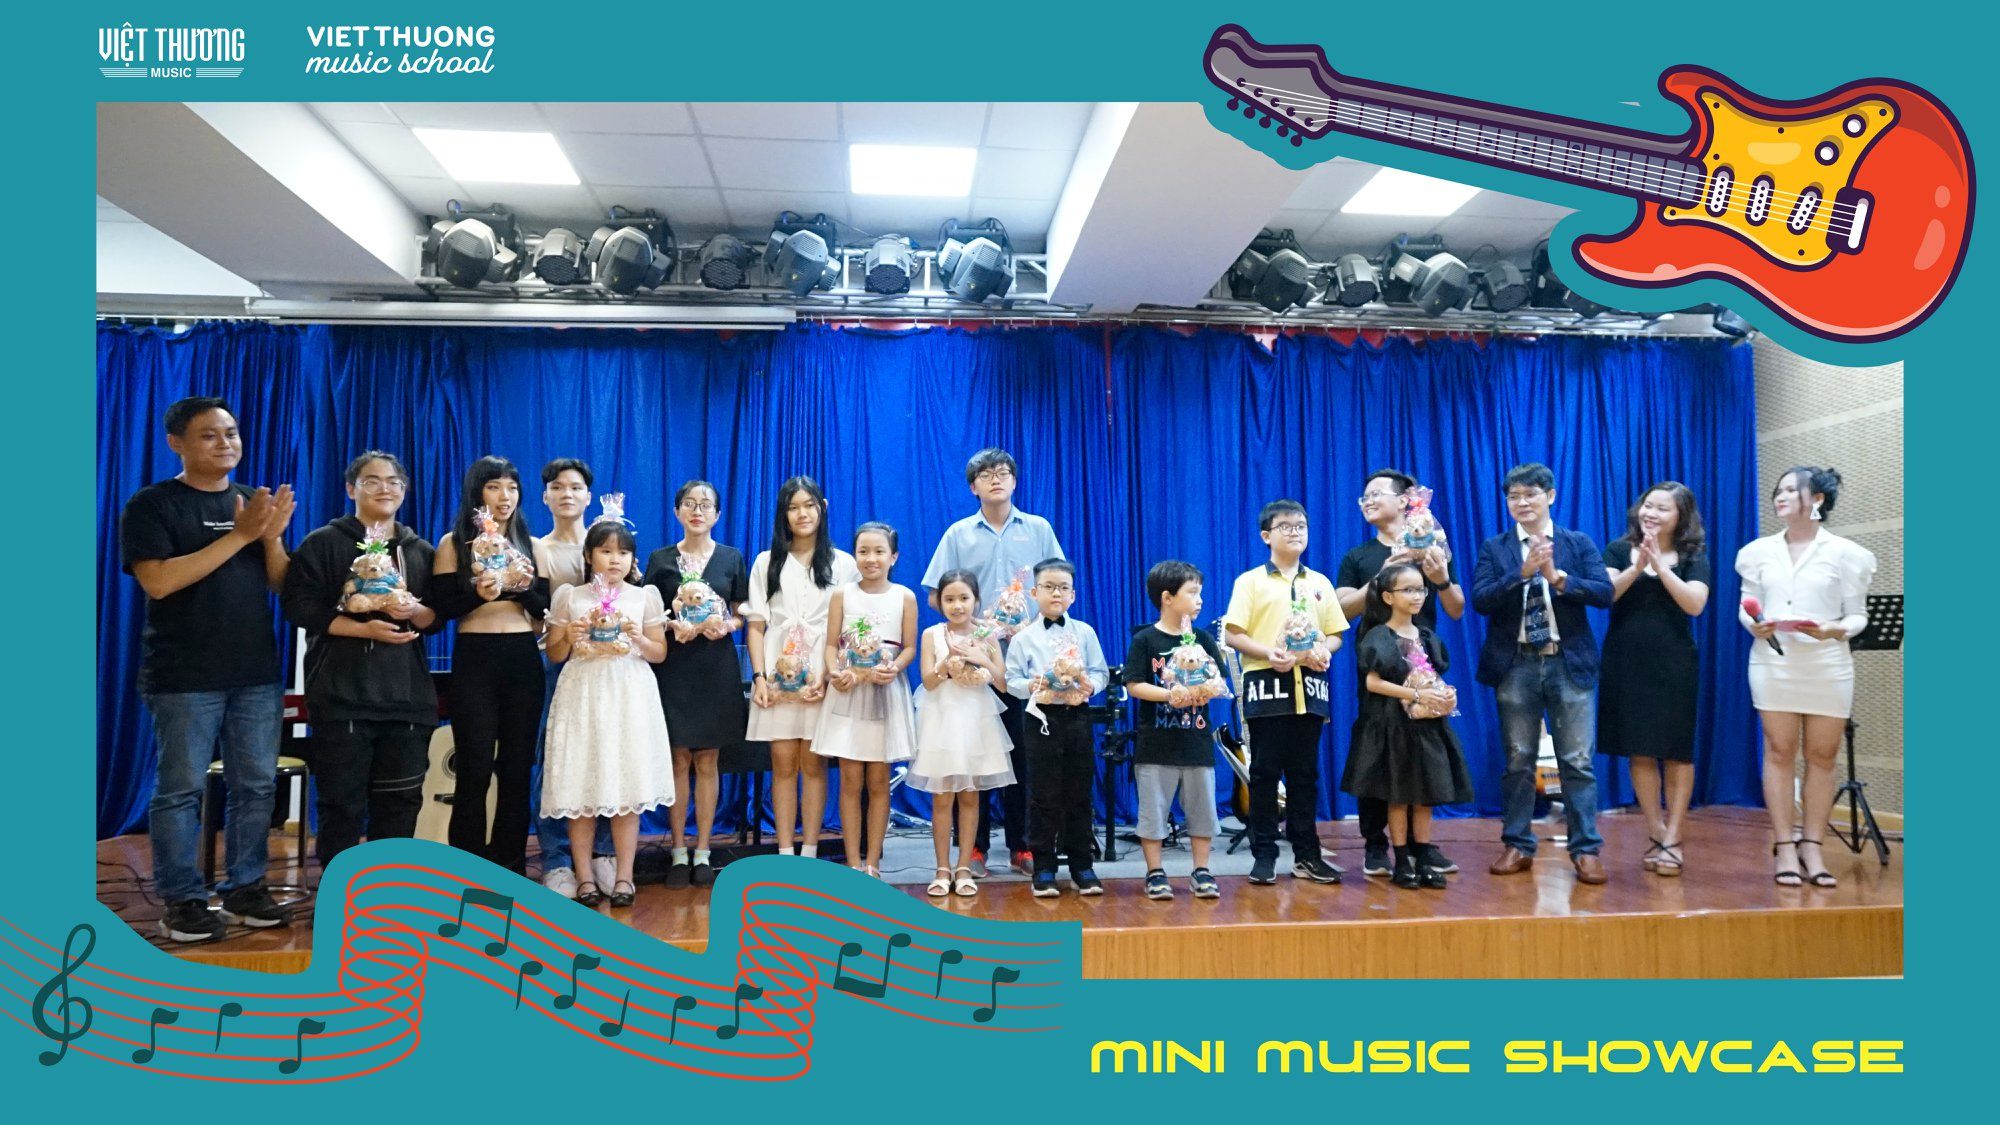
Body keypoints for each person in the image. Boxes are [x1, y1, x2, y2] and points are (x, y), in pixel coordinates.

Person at [121, 396, 296, 942]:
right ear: (176, 443)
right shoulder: (153, 504)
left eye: (232, 432)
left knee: (256, 787)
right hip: (184, 674)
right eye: (210, 434)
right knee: (180, 790)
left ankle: (246, 888)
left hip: (255, 671)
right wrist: (240, 535)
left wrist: (270, 538)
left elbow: (281, 584)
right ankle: (183, 901)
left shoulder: (250, 502)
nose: (226, 443)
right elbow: (159, 582)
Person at [280, 451, 439, 872]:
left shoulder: (420, 550)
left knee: (401, 803)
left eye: (393, 481)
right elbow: (299, 607)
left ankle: (388, 893)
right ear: (351, 489)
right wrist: (363, 629)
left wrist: (414, 611)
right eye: (372, 480)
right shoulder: (323, 543)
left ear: (404, 490)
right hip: (342, 697)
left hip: (407, 700)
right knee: (342, 805)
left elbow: (436, 617)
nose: (384, 488)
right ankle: (339, 893)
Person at [921, 448, 1066, 879]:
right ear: (974, 487)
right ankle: (975, 848)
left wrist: (1031, 622)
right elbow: (935, 594)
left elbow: (1057, 582)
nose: (996, 479)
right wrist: (973, 622)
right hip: (973, 655)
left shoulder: (1038, 528)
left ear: (1015, 481)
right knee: (973, 753)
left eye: (1003, 473)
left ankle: (1022, 845)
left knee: (1023, 753)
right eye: (986, 475)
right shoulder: (958, 534)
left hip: (1026, 655)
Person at [1470, 463, 1615, 884]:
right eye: (1513, 496)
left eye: (1530, 494)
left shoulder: (1577, 542)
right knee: (1518, 760)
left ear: (1550, 496)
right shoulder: (1496, 548)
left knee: (1577, 761)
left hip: (1567, 661)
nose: (1522, 502)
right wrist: (1521, 574)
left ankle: (1585, 849)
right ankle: (1517, 843)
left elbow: (1604, 593)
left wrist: (1559, 578)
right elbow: (1480, 599)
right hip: (1515, 662)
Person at [1734, 467, 1875, 889]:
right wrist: (1754, 624)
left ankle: (1812, 847)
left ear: (1817, 499)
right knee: (1779, 751)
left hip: (1827, 662)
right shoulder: (1757, 551)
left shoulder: (1847, 553)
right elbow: (1747, 603)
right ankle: (1784, 846)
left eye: (1792, 490)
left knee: (1823, 755)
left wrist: (1837, 629)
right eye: (1779, 490)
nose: (1780, 496)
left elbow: (1858, 615)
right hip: (1774, 661)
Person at [1335, 468, 1466, 879]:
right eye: (1364, 497)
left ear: (1405, 500)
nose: (1368, 501)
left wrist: (1441, 579)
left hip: (1422, 662)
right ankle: (1377, 843)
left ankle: (1419, 847)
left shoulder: (1431, 547)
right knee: (1378, 747)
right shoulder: (1359, 557)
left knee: (1423, 748)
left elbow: (1457, 608)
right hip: (1380, 661)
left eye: (1377, 494)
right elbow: (1341, 609)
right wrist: (1382, 576)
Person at [542, 516, 674, 908]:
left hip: (629, 694)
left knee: (625, 785)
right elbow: (555, 654)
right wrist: (569, 635)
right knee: (579, 785)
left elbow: (659, 653)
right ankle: (584, 878)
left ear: (632, 559)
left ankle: (624, 878)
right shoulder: (570, 596)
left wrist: (638, 639)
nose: (615, 559)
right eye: (606, 551)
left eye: (623, 552)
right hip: (582, 694)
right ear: (588, 555)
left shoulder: (644, 596)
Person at [430, 456, 550, 874]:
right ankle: (467, 866)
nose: (505, 496)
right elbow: (442, 607)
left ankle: (510, 864)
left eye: (512, 488)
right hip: (475, 658)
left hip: (522, 658)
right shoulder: (453, 543)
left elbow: (545, 608)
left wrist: (519, 585)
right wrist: (477, 594)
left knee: (517, 768)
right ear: (477, 492)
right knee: (474, 767)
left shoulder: (530, 545)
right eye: (495, 487)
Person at [1221, 500, 1348, 887]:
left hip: (1309, 688)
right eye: (1286, 526)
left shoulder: (1320, 582)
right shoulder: (1250, 581)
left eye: (1301, 526)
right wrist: (1268, 653)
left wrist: (1325, 649)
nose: (1295, 532)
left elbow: (1335, 634)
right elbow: (1232, 634)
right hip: (1267, 686)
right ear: (1266, 536)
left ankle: (1307, 855)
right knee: (1263, 774)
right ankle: (1264, 854)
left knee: (1305, 775)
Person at [642, 479, 750, 889]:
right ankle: (677, 851)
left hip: (715, 667)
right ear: (677, 512)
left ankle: (703, 851)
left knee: (708, 760)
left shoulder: (731, 557)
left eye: (705, 505)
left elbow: (741, 610)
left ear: (717, 514)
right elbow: (650, 612)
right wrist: (673, 626)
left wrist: (728, 626)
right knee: (677, 759)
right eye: (689, 503)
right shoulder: (660, 559)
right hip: (674, 667)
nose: (697, 510)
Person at [1600, 482, 1711, 877]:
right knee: (1640, 749)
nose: (1651, 513)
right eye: (1648, 506)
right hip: (1626, 661)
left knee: (1677, 752)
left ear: (1680, 517)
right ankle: (1655, 830)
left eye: (1663, 509)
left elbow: (1694, 604)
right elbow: (1605, 595)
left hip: (1674, 663)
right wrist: (1636, 567)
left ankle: (1675, 836)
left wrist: (1661, 567)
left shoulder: (1692, 555)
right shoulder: (1617, 549)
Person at [1340, 564, 1475, 889]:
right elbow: (1373, 683)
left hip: (1426, 729)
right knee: (1398, 796)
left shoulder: (1427, 637)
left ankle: (1424, 856)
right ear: (1388, 597)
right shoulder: (1378, 636)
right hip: (1393, 727)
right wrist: (1414, 694)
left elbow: (1433, 677)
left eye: (1421, 590)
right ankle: (1401, 859)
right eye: (1408, 590)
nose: (1417, 596)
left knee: (1425, 796)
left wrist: (1444, 695)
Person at [745, 476, 859, 857]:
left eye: (809, 505)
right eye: (793, 507)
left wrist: (828, 676)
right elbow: (756, 626)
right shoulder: (766, 561)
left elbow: (848, 629)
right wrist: (760, 677)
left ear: (822, 508)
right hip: (778, 672)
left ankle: (809, 851)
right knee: (781, 763)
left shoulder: (843, 563)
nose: (802, 514)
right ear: (783, 514)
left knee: (813, 764)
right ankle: (784, 853)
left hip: (821, 672)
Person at [815, 522, 920, 877]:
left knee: (878, 781)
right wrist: (834, 672)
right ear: (855, 555)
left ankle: (873, 863)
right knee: (849, 780)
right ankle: (852, 863)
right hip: (849, 691)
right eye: (863, 551)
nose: (871, 558)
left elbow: (909, 648)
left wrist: (894, 668)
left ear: (894, 557)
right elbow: (831, 645)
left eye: (879, 551)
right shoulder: (842, 595)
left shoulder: (904, 596)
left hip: (884, 692)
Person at [530, 459, 613, 899]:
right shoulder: (536, 549)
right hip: (555, 663)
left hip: (607, 665)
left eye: (576, 487)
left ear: (589, 496)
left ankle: (602, 852)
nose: (567, 494)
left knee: (605, 757)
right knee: (554, 761)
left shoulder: (609, 541)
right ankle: (558, 859)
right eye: (558, 487)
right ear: (545, 496)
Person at [1122, 561, 1227, 901]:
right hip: (1156, 743)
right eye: (1192, 592)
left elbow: (1219, 681)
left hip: (1196, 742)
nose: (1200, 600)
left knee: (1202, 811)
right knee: (1153, 812)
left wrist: (1205, 690)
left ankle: (1202, 870)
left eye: (1200, 592)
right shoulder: (1145, 639)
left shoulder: (1203, 639)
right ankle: (1155, 872)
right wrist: (1171, 694)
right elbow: (1134, 684)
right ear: (1167, 598)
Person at [1004, 559, 1110, 897]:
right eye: (1049, 587)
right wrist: (1034, 684)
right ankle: (1044, 866)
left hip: (1077, 716)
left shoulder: (1085, 632)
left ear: (1073, 595)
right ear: (1034, 592)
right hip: (1040, 718)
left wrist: (1090, 685)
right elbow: (1011, 680)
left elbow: (1101, 672)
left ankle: (1082, 866)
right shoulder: (1023, 638)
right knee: (1042, 794)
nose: (1056, 594)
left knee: (1079, 792)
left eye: (1063, 588)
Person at [910, 570, 1014, 897]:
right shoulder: (932, 634)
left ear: (976, 600)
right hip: (941, 719)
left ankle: (964, 866)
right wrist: (948, 663)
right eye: (950, 599)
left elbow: (1003, 683)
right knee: (942, 798)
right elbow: (928, 681)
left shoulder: (987, 633)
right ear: (939, 602)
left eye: (964, 598)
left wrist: (982, 657)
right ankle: (942, 868)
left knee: (971, 796)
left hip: (976, 719)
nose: (957, 605)